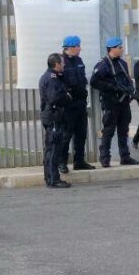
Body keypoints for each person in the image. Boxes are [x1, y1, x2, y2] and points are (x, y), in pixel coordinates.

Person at [90, 36, 139, 167]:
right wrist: (111, 87)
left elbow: (126, 79)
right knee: (109, 131)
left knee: (124, 130)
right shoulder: (103, 64)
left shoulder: (122, 63)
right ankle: (105, 157)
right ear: (112, 49)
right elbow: (94, 81)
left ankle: (125, 156)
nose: (122, 49)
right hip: (111, 103)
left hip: (123, 103)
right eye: (119, 47)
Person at [59, 35, 95, 173]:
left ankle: (79, 161)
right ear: (72, 47)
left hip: (80, 103)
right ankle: (61, 162)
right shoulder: (61, 61)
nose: (80, 48)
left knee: (81, 134)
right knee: (66, 135)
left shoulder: (79, 60)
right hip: (68, 106)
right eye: (78, 46)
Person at [38, 52, 72, 188]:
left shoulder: (51, 77)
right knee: (53, 149)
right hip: (53, 116)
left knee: (51, 148)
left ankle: (50, 177)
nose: (64, 65)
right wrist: (67, 97)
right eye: (62, 63)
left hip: (52, 115)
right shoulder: (51, 79)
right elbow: (54, 98)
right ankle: (53, 179)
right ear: (56, 64)